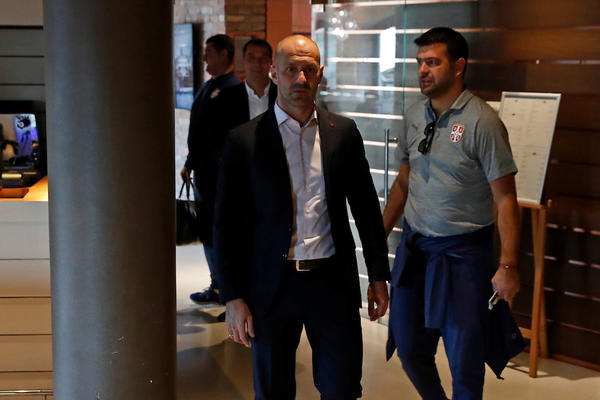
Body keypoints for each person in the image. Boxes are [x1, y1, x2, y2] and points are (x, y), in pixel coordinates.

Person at [214, 35, 390, 399]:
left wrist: (377, 275)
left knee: (342, 388)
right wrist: (232, 296)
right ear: (274, 73)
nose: (301, 79)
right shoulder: (244, 140)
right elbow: (226, 225)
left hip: (332, 283)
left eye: (308, 69)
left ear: (320, 73)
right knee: (273, 390)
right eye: (291, 69)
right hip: (272, 285)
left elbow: (366, 208)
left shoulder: (343, 133)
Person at [383, 27, 522, 399]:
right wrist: (378, 235)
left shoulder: (482, 122)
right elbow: (403, 182)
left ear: (458, 66)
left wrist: (508, 265)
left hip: (464, 257)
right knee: (409, 348)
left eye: (432, 62)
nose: (422, 70)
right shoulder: (414, 115)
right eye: (419, 62)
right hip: (416, 251)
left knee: (465, 362)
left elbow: (506, 200)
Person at [181, 34, 239, 304]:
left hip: (219, 177)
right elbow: (199, 133)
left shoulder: (232, 89)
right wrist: (189, 163)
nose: (204, 57)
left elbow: (224, 137)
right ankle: (216, 285)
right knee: (207, 230)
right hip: (203, 174)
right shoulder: (209, 86)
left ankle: (225, 288)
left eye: (209, 52)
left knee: (219, 232)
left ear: (224, 53)